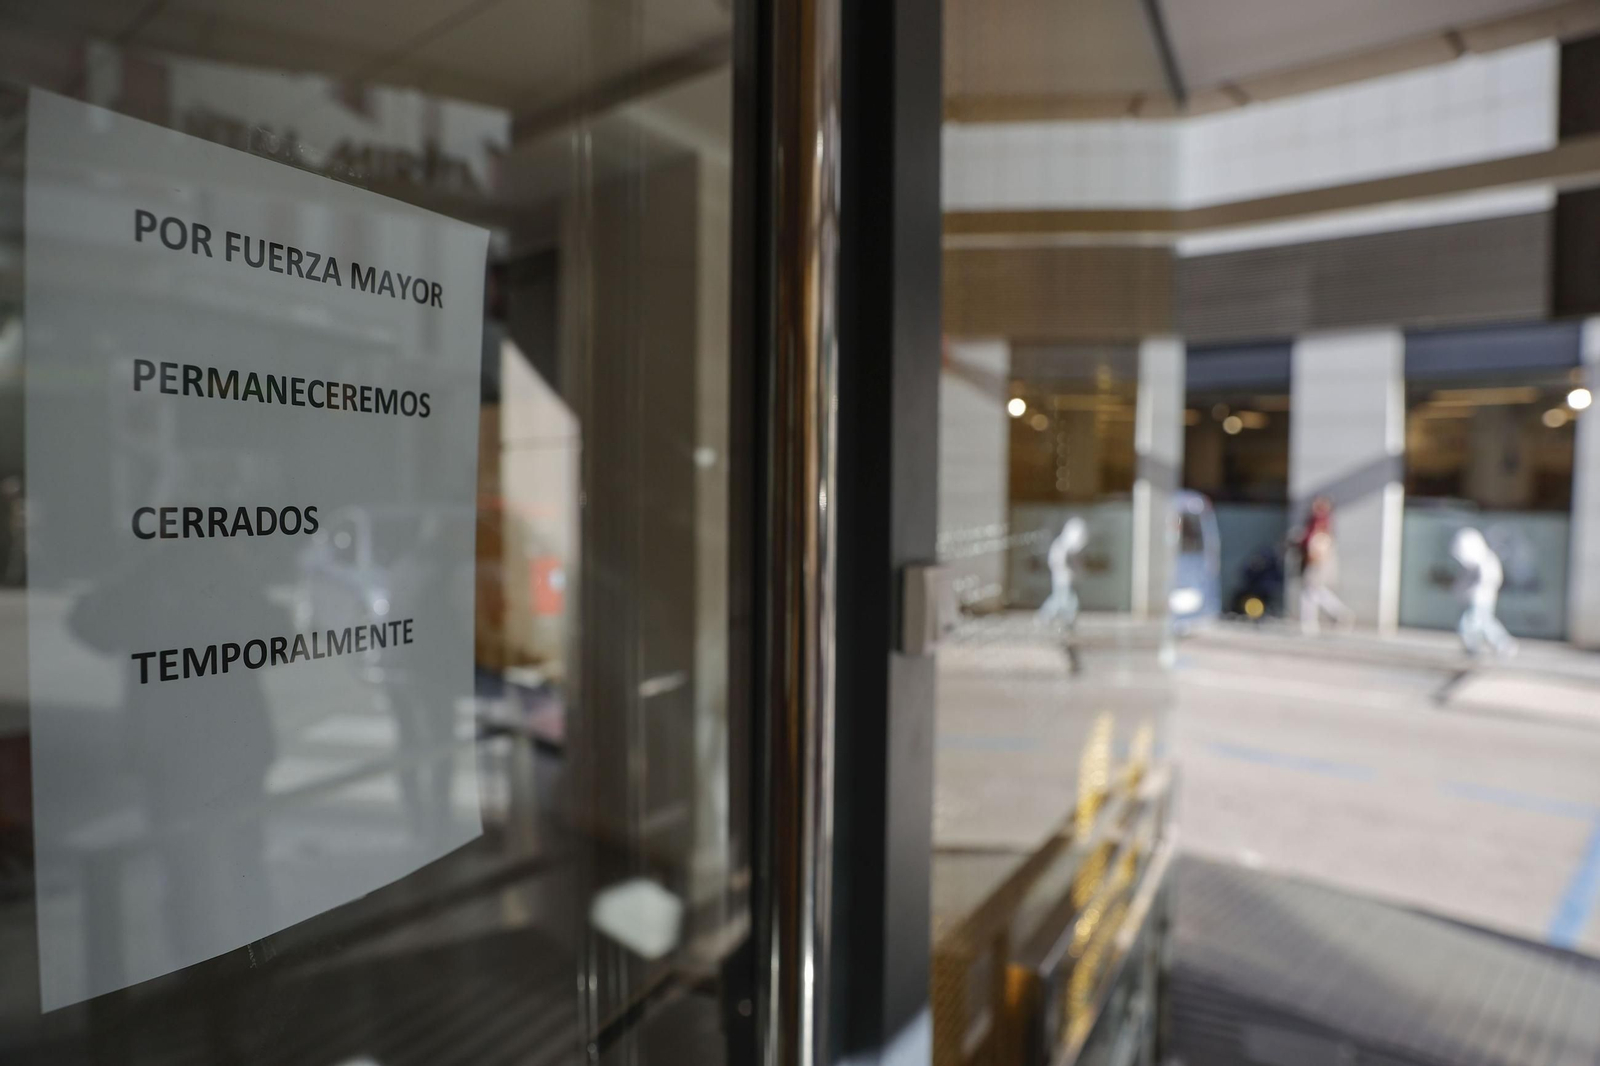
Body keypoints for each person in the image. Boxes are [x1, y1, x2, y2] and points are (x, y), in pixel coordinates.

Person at [1451, 527, 1517, 659]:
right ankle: (1478, 647)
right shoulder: (1476, 562)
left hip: (1482, 599)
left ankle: (1502, 644)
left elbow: (1491, 580)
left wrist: (1478, 589)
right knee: (1481, 623)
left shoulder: (1487, 561)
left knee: (1474, 622)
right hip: (1475, 598)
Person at [1295, 496, 1353, 634]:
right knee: (1314, 592)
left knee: (1311, 592)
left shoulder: (1321, 521)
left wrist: (1314, 556)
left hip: (1316, 562)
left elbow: (1318, 543)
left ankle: (1315, 622)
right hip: (1313, 561)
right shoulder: (1315, 521)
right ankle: (1334, 616)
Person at [1037, 516, 1088, 630]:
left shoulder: (1067, 545)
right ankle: (1050, 618)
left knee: (1064, 600)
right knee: (1063, 600)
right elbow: (1056, 562)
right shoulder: (1061, 545)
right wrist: (1066, 572)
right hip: (1062, 579)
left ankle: (1062, 620)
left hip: (1068, 579)